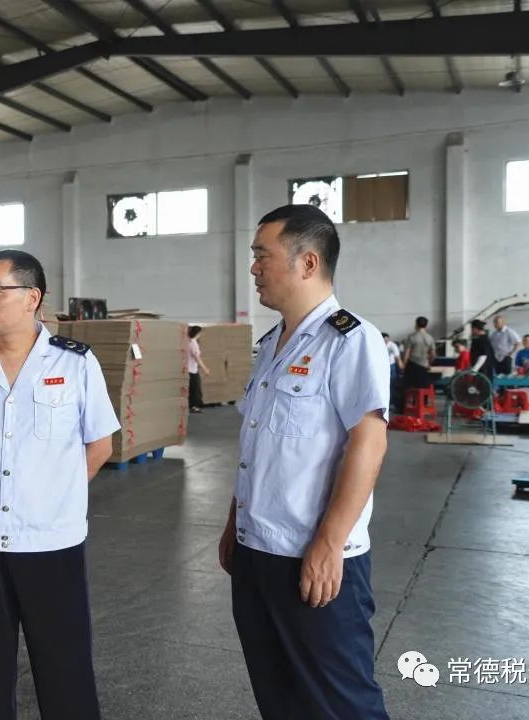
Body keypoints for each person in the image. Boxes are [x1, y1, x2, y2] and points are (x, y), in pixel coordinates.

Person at [0, 249, 120, 720]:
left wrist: (53, 495)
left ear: (32, 297)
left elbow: (100, 446)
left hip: (50, 542)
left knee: (64, 665)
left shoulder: (75, 364)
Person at [220, 204, 390, 720]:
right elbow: (259, 445)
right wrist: (234, 522)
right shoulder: (272, 344)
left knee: (342, 703)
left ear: (308, 262)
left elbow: (368, 443)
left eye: (262, 256)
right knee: (279, 697)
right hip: (257, 551)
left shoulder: (350, 339)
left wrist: (329, 543)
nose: (254, 268)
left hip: (312, 557)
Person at [401, 316, 435, 389]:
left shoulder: (411, 337)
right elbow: (433, 354)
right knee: (422, 389)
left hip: (412, 366)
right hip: (424, 366)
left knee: (409, 389)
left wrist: (403, 365)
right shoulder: (430, 338)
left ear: (416, 324)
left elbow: (406, 354)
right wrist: (429, 363)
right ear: (426, 325)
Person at [187, 325, 212, 413]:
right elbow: (197, 358)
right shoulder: (193, 344)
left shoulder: (188, 341)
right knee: (196, 389)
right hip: (192, 370)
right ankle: (194, 407)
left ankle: (192, 406)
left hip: (189, 369)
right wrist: (205, 369)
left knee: (192, 389)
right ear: (198, 333)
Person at [382, 332, 402, 409]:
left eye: (387, 341)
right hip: (382, 366)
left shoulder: (392, 345)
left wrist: (401, 367)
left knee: (391, 384)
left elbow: (397, 358)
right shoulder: (377, 344)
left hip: (391, 366)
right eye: (384, 341)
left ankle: (391, 403)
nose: (386, 342)